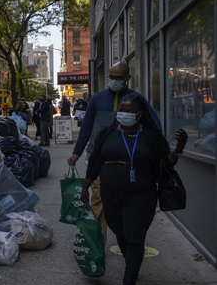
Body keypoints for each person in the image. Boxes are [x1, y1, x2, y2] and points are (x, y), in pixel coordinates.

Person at [80, 94, 187, 285]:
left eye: (129, 111)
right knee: (119, 231)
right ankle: (132, 264)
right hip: (111, 193)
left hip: (142, 194)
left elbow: (165, 164)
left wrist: (178, 149)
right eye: (122, 109)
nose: (124, 114)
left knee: (135, 236)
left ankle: (129, 283)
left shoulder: (151, 136)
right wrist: (86, 187)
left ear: (139, 114)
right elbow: (95, 161)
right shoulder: (107, 132)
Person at [68, 61, 162, 242]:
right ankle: (98, 242)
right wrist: (76, 152)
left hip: (129, 160)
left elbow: (154, 125)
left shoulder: (137, 100)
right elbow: (87, 128)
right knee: (98, 199)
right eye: (111, 77)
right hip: (99, 157)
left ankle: (127, 236)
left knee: (123, 200)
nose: (113, 81)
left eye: (119, 78)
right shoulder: (97, 99)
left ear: (128, 78)